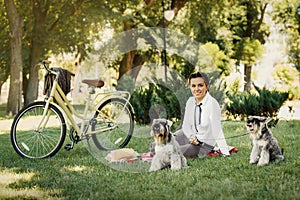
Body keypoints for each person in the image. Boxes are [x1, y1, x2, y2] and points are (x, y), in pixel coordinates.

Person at [174, 71, 230, 158]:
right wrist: (191, 136)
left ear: (207, 87)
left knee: (174, 151)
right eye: (193, 86)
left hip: (203, 145)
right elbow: (186, 125)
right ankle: (156, 151)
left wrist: (225, 153)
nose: (196, 89)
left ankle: (161, 154)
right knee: (166, 140)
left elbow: (217, 131)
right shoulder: (190, 101)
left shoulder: (212, 104)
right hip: (189, 137)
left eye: (200, 85)